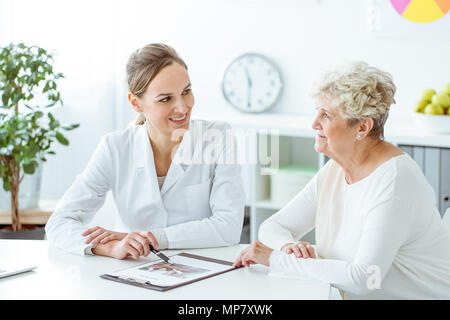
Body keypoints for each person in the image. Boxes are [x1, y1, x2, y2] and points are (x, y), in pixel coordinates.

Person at [234, 61, 450, 299]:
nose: (314, 123)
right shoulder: (335, 171)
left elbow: (365, 278)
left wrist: (276, 259)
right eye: (317, 110)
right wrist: (288, 247)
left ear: (362, 128)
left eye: (325, 115)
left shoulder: (395, 181)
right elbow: (273, 226)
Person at [45, 43, 246, 260]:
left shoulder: (217, 137)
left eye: (186, 92)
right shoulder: (115, 148)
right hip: (132, 271)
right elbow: (59, 223)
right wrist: (109, 247)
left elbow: (229, 227)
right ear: (136, 103)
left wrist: (151, 238)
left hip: (201, 267)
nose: (183, 107)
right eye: (165, 99)